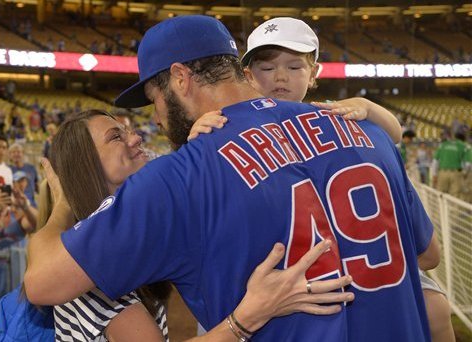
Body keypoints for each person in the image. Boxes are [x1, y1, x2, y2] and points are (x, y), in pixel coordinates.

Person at [25, 15, 439, 341]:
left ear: (180, 79)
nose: (155, 116)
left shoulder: (178, 177)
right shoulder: (365, 131)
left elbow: (41, 285)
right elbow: (427, 254)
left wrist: (61, 199)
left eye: (154, 99)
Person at [37, 109, 353, 341]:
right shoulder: (87, 263)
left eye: (129, 129)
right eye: (116, 136)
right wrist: (250, 314)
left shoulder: (124, 234)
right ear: (86, 165)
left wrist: (201, 148)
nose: (135, 137)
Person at [235, 17, 454, 342]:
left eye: (294, 67)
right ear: (248, 75)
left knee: (435, 309)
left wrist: (367, 105)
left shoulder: (334, 116)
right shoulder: (237, 124)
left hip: (358, 256)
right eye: (267, 68)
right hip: (295, 262)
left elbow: (392, 133)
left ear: (314, 74)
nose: (280, 76)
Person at [432, 131, 466, 198]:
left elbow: (435, 161)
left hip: (443, 172)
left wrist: (434, 174)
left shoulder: (442, 145)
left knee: (441, 194)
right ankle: (453, 209)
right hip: (456, 173)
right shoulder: (462, 146)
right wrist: (464, 173)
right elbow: (466, 163)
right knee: (455, 196)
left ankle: (441, 208)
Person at [8, 142, 39, 207]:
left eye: (18, 152)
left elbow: (37, 186)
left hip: (31, 205)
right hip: (15, 206)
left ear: (23, 154)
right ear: (10, 155)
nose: (16, 154)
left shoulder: (31, 168)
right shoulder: (7, 170)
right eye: (13, 152)